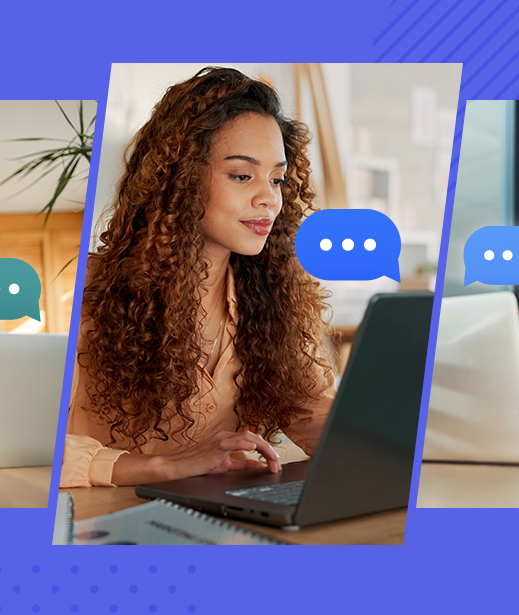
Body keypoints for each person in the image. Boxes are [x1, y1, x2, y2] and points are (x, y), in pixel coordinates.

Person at [62, 67, 335, 488]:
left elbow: (317, 417)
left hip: (218, 525)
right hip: (101, 526)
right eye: (242, 175)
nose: (269, 198)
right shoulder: (90, 292)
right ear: (182, 176)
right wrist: (169, 466)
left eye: (277, 179)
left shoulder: (270, 300)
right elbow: (32, 449)